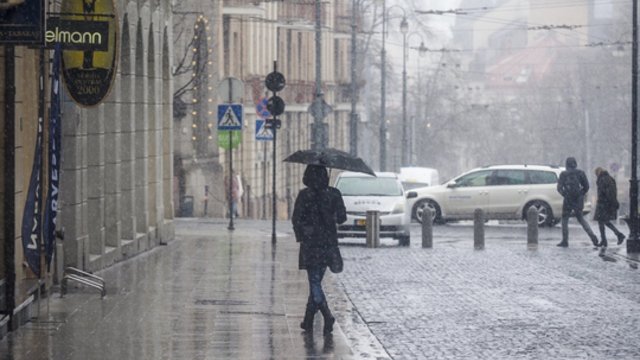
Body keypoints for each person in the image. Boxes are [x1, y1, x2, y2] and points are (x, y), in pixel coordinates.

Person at [291, 165, 346, 335]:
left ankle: (327, 316)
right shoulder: (334, 194)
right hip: (328, 243)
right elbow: (342, 218)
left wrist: (302, 234)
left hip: (310, 244)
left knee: (314, 282)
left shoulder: (304, 195)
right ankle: (308, 321)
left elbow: (296, 219)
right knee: (316, 282)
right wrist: (331, 214)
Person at [556, 157, 599, 247]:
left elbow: (559, 188)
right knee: (581, 219)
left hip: (568, 199)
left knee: (565, 219)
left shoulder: (564, 174)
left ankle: (565, 240)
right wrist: (580, 194)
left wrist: (565, 194)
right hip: (578, 200)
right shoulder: (581, 173)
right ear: (575, 163)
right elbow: (586, 186)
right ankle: (593, 237)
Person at [594, 167, 626, 247]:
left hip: (603, 204)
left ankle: (616, 236)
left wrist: (607, 202)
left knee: (603, 221)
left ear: (598, 173)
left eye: (596, 174)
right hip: (605, 203)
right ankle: (606, 239)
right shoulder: (609, 179)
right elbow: (611, 192)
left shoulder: (602, 179)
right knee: (603, 222)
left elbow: (606, 193)